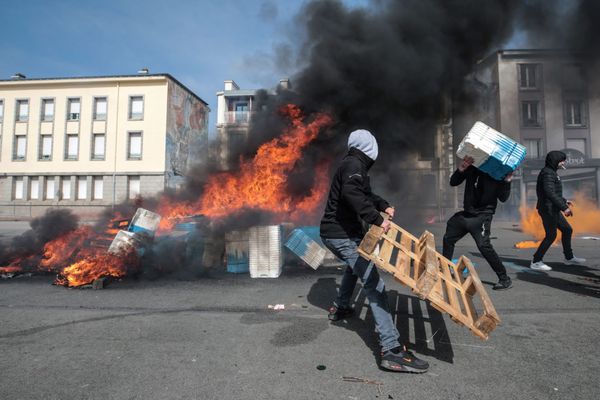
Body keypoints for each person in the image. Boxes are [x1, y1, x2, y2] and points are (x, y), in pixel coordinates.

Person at [319, 129, 429, 373]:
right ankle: (390, 350)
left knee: (354, 265)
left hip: (341, 234)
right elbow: (352, 195)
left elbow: (365, 194)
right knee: (373, 282)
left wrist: (383, 205)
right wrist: (377, 220)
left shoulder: (354, 165)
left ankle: (341, 307)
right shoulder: (352, 165)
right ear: (367, 147)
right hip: (340, 235)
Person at [442, 156, 513, 290]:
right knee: (448, 237)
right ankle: (445, 269)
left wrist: (507, 181)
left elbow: (503, 198)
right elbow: (453, 182)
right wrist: (461, 169)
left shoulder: (497, 173)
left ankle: (504, 279)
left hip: (483, 216)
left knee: (484, 246)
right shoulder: (473, 168)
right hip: (467, 214)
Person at [530, 151, 586, 271]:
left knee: (567, 230)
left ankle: (569, 258)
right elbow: (549, 192)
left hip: (552, 208)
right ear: (555, 161)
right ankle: (536, 261)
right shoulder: (547, 173)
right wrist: (564, 208)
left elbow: (554, 192)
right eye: (562, 160)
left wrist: (564, 201)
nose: (563, 163)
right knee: (551, 236)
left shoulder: (552, 173)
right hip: (547, 209)